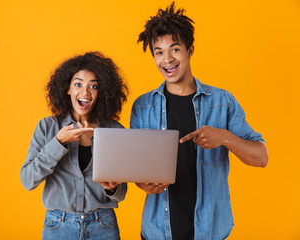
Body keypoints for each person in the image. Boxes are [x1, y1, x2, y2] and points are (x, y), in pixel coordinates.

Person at [130, 2, 268, 240]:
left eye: (175, 49)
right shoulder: (143, 106)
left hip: (210, 231)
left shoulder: (222, 102)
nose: (167, 60)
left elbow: (261, 157)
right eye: (159, 52)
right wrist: (142, 184)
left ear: (190, 50)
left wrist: (225, 137)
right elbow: (135, 170)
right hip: (157, 231)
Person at [21, 52, 128, 240]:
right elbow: (28, 180)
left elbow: (120, 195)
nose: (85, 93)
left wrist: (112, 188)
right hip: (59, 226)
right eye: (78, 84)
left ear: (101, 92)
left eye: (93, 86)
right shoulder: (47, 127)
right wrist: (58, 143)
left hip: (103, 225)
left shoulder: (114, 130)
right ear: (67, 89)